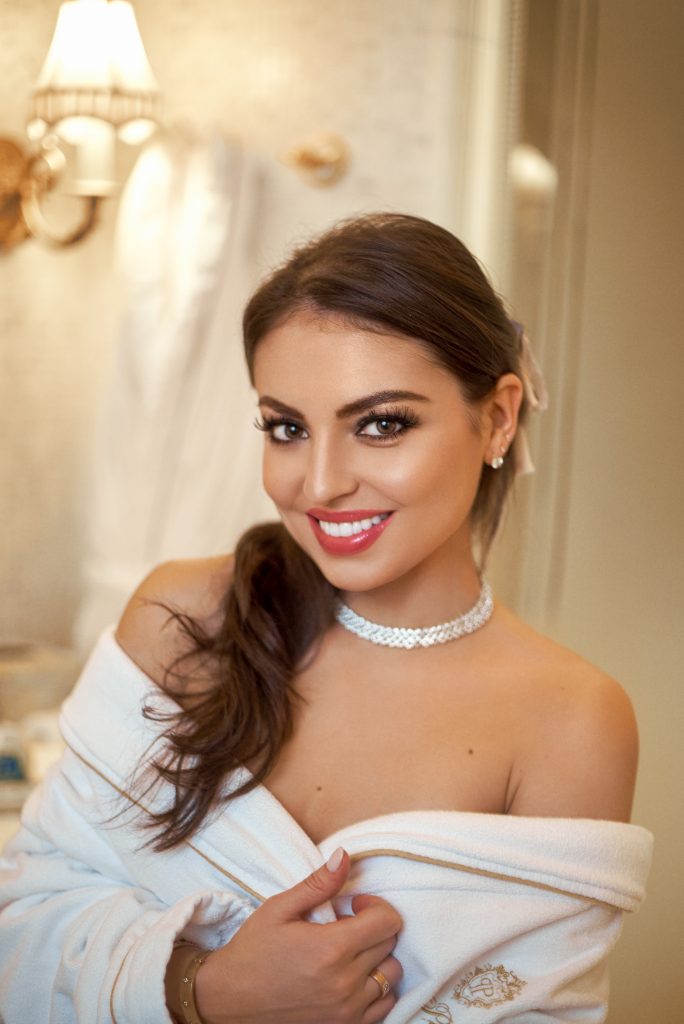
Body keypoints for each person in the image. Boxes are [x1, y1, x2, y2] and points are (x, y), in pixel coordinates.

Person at [0, 213, 652, 1024]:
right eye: (287, 428)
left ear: (497, 417)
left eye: (381, 424)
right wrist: (203, 988)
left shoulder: (572, 720)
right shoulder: (185, 619)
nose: (319, 484)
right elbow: (23, 914)